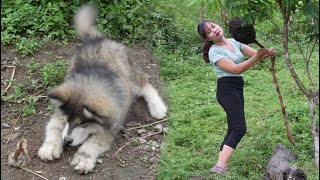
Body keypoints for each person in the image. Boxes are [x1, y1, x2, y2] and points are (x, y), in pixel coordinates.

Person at [197, 20, 277, 174]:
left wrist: (269, 52)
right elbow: (235, 69)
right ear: (208, 38)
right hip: (226, 90)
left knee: (233, 127)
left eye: (213, 26)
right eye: (209, 32)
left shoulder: (235, 42)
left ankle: (221, 163)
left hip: (237, 88)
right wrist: (257, 57)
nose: (214, 30)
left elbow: (256, 55)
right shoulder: (215, 51)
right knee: (239, 128)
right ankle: (219, 167)